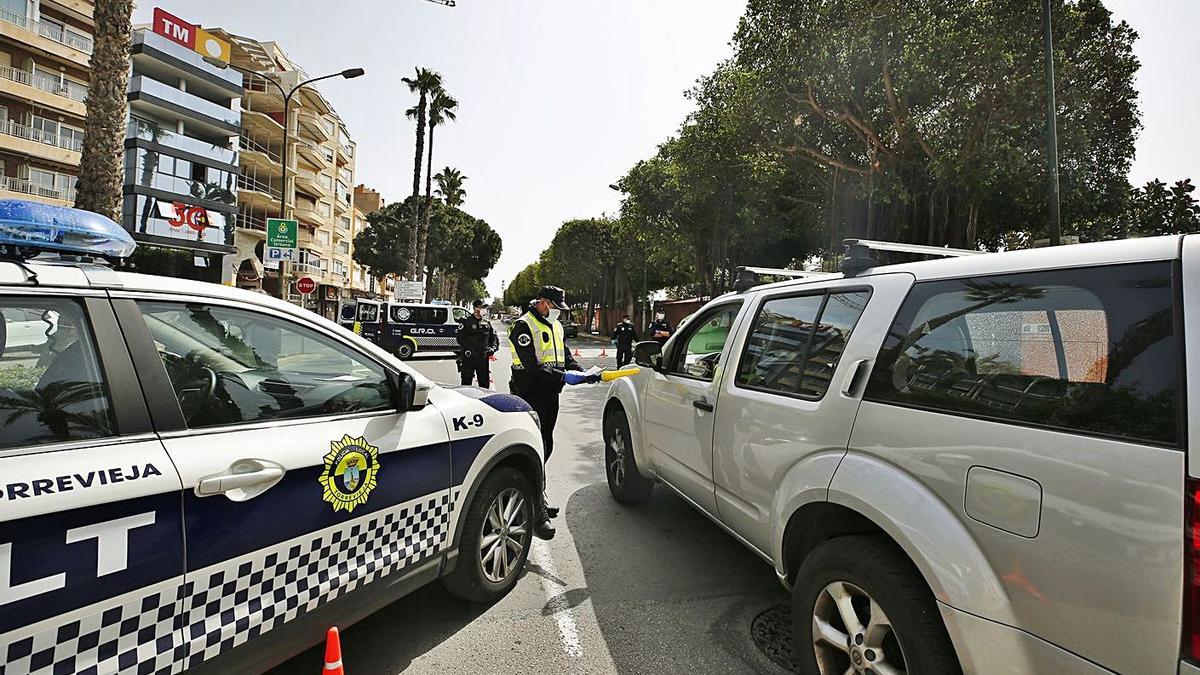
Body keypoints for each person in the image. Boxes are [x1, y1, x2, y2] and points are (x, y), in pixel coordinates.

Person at [509, 285, 593, 537]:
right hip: (529, 394)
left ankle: (538, 496)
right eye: (556, 307)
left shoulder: (555, 326)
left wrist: (581, 372)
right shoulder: (523, 326)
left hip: (550, 394)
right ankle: (535, 511)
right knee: (533, 450)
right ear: (543, 302)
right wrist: (564, 376)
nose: (559, 313)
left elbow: (565, 356)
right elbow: (532, 366)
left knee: (546, 445)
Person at [456, 299, 498, 387]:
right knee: (466, 385)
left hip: (483, 358)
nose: (484, 310)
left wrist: (493, 348)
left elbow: (493, 338)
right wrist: (469, 349)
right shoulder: (466, 322)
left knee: (484, 384)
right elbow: (460, 339)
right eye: (481, 307)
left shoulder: (487, 323)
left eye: (484, 308)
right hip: (469, 358)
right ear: (475, 308)